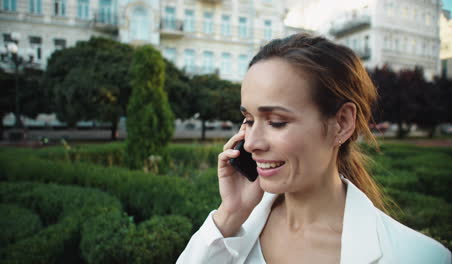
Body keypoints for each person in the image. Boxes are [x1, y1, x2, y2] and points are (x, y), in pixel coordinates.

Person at [177, 34, 451, 264]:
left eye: (276, 122)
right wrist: (230, 214)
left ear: (342, 123)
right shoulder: (228, 232)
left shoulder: (420, 256)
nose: (250, 143)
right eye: (248, 120)